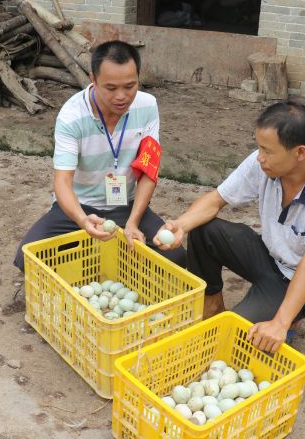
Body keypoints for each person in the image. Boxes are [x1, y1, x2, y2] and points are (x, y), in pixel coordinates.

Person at [154, 102, 305, 352]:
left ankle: (289, 318)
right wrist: (180, 226)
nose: (260, 157)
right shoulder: (263, 164)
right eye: (259, 147)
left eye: (267, 151)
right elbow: (216, 200)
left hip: (301, 282)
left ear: (300, 153)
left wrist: (279, 323)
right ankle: (212, 304)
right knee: (204, 229)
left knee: (230, 340)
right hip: (268, 258)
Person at [14, 40, 186, 270]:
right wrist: (83, 221)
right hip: (81, 206)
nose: (122, 96)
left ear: (138, 78)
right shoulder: (71, 116)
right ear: (93, 80)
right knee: (28, 258)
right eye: (111, 88)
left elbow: (148, 170)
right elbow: (62, 182)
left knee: (176, 258)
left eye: (130, 86)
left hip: (127, 204)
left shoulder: (148, 106)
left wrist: (133, 222)